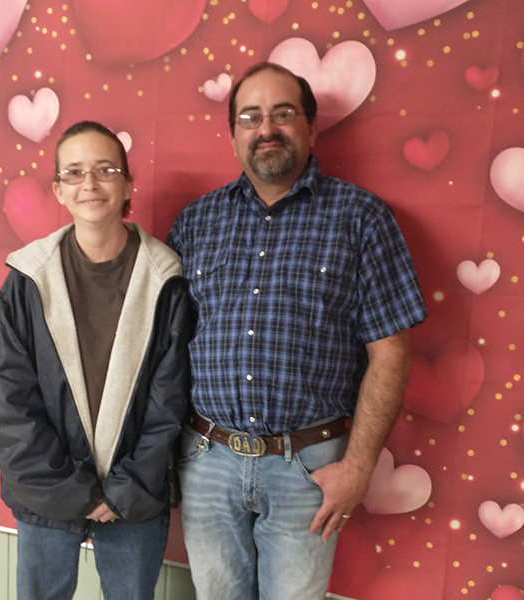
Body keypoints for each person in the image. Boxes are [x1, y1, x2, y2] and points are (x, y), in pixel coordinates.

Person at [166, 62, 427, 599]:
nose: (266, 129)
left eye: (282, 114)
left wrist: (358, 468)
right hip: (207, 460)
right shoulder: (195, 223)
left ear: (311, 128)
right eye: (250, 117)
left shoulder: (362, 219)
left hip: (309, 467)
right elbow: (166, 349)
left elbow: (391, 353)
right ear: (233, 134)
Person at [0, 120, 192, 600]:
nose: (90, 184)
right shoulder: (27, 279)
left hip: (134, 494)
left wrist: (124, 489)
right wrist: (73, 491)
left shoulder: (165, 278)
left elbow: (170, 400)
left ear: (128, 184)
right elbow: (12, 403)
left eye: (105, 170)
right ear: (59, 189)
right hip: (47, 490)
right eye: (74, 173)